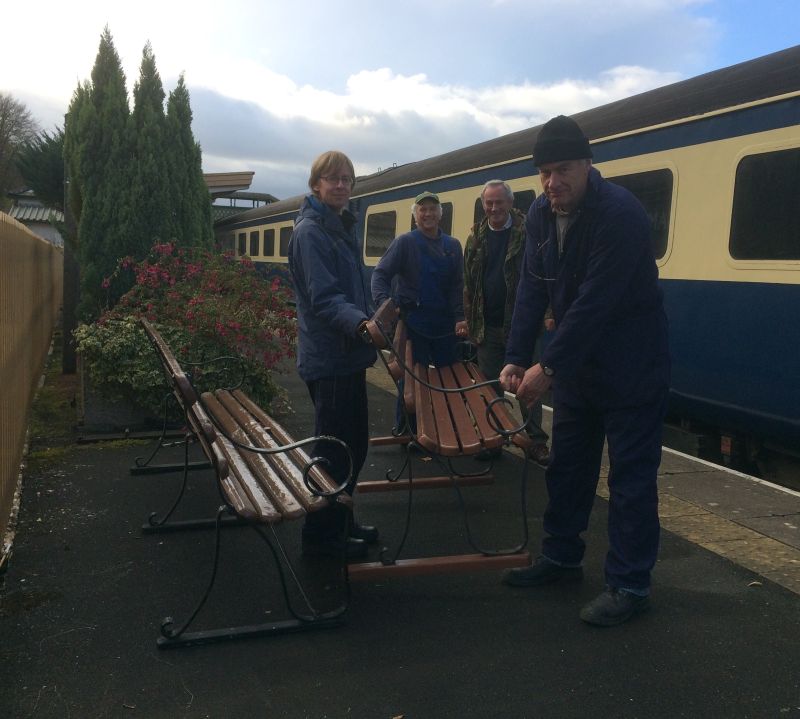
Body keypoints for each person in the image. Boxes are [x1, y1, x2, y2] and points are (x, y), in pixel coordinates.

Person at [499, 116, 670, 626]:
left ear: (588, 165)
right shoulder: (537, 215)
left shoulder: (620, 213)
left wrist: (547, 366)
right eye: (545, 172)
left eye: (564, 170)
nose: (553, 183)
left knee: (631, 481)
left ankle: (630, 585)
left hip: (631, 368)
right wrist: (513, 354)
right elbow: (531, 288)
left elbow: (596, 303)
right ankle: (561, 557)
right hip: (579, 370)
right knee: (568, 467)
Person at [288, 150, 378, 561]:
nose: (341, 185)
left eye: (347, 179)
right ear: (316, 184)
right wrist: (362, 325)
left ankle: (341, 520)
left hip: (348, 355)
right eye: (333, 178)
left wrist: (373, 314)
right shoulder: (311, 232)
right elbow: (325, 299)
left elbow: (352, 289)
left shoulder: (340, 227)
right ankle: (322, 537)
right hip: (331, 358)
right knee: (333, 451)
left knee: (353, 446)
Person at [463, 179, 550, 466]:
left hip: (521, 325)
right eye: (488, 202)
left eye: (499, 202)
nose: (494, 207)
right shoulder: (475, 235)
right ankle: (493, 439)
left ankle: (535, 442)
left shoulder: (527, 232)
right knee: (489, 387)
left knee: (528, 388)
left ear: (511, 203)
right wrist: (468, 319)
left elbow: (543, 274)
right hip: (486, 326)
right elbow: (468, 281)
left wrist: (548, 312)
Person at [371, 191, 467, 432]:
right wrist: (385, 303)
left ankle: (448, 429)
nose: (428, 214)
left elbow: (457, 287)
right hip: (414, 324)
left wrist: (460, 317)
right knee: (412, 379)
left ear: (440, 214)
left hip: (444, 327)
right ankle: (408, 429)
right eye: (422, 209)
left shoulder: (453, 246)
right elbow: (380, 274)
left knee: (448, 379)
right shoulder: (405, 242)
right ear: (415, 216)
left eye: (433, 209)